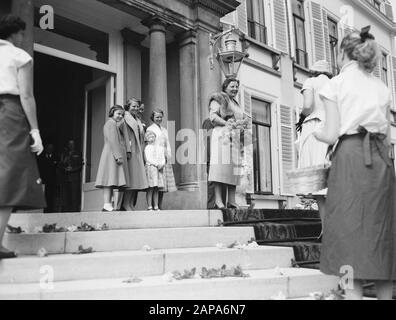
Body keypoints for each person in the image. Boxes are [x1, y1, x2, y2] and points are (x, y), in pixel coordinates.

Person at [314, 26, 396, 300]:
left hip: (350, 159)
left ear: (341, 53)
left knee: (348, 237)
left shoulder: (335, 84)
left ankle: (351, 296)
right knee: (382, 236)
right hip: (381, 163)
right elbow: (386, 137)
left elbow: (330, 132)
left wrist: (314, 131)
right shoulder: (382, 87)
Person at [0, 15, 46, 259]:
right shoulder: (20, 56)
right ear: (16, 33)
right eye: (22, 33)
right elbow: (27, 96)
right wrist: (35, 131)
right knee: (8, 176)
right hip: (8, 113)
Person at [296, 60, 332, 236]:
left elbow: (308, 105)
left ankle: (326, 228)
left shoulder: (310, 82)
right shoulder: (335, 84)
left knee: (318, 184)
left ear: (313, 72)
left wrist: (301, 117)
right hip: (333, 127)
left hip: (315, 127)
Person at [208, 78, 245, 209]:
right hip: (221, 135)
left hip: (234, 137)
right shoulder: (218, 99)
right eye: (232, 86)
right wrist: (226, 123)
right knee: (220, 168)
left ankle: (232, 200)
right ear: (225, 87)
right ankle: (218, 201)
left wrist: (240, 127)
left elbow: (239, 119)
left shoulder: (235, 103)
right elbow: (212, 116)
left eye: (236, 86)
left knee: (233, 170)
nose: (235, 89)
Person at [95, 105, 131, 212]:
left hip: (112, 154)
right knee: (109, 180)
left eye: (122, 114)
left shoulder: (114, 124)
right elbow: (113, 141)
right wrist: (118, 156)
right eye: (118, 114)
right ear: (112, 113)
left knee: (111, 180)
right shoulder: (110, 123)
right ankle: (107, 204)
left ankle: (108, 204)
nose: (120, 116)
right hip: (111, 154)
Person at [120, 98, 148, 211]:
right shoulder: (124, 117)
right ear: (128, 107)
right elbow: (120, 133)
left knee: (136, 179)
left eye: (137, 106)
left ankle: (130, 204)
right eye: (133, 106)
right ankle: (126, 204)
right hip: (130, 151)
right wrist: (127, 147)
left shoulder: (137, 118)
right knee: (131, 179)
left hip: (138, 151)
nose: (136, 108)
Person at [146, 109, 177, 209]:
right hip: (156, 158)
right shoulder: (150, 129)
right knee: (155, 183)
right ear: (153, 118)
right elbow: (150, 143)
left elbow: (167, 143)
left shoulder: (164, 129)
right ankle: (152, 205)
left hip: (164, 157)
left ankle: (159, 205)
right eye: (157, 117)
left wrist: (168, 154)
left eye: (160, 117)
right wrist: (156, 159)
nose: (159, 119)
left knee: (163, 184)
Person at [60, 140, 83, 212]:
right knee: (66, 196)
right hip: (65, 177)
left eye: (72, 144)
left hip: (74, 177)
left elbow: (81, 165)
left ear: (75, 145)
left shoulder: (78, 153)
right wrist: (65, 168)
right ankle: (66, 211)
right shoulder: (64, 154)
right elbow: (60, 164)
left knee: (75, 196)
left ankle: (75, 211)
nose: (71, 145)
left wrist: (72, 169)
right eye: (69, 144)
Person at [144, 131, 165, 211]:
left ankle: (156, 205)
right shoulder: (147, 148)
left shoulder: (159, 147)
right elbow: (148, 159)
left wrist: (162, 164)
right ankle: (149, 206)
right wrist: (156, 164)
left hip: (158, 169)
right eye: (149, 137)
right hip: (151, 168)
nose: (151, 138)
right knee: (151, 187)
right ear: (146, 139)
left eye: (153, 136)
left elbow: (162, 157)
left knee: (156, 188)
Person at [39, 144, 59, 213]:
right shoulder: (42, 157)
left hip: (52, 180)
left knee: (51, 195)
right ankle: (44, 209)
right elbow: (40, 168)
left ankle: (50, 209)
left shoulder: (56, 157)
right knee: (44, 195)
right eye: (48, 148)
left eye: (51, 148)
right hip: (44, 180)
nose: (50, 150)